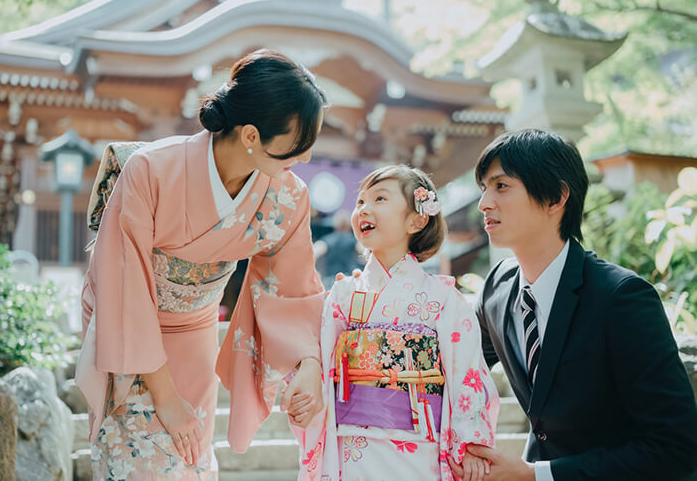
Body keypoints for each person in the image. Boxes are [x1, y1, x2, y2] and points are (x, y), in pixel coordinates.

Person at [75, 49, 328, 479]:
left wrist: (309, 365)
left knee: (191, 465)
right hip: (132, 341)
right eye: (293, 149)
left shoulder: (288, 197)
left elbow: (295, 288)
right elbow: (123, 285)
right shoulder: (151, 170)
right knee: (141, 465)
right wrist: (167, 398)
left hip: (195, 343)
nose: (301, 160)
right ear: (250, 135)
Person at [452, 129, 697, 481]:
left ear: (556, 197)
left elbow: (675, 447)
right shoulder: (497, 289)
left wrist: (536, 475)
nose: (484, 203)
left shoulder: (622, 298)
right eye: (484, 189)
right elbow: (455, 363)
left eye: (501, 186)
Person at [295, 165, 499, 481]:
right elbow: (319, 357)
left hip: (420, 447)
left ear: (416, 220)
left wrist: (469, 442)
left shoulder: (442, 299)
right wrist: (307, 388)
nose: (364, 209)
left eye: (379, 198)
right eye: (360, 201)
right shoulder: (343, 293)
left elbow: (468, 373)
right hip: (352, 444)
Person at [313, 210, 362, 289]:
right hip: (348, 280)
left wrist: (315, 272)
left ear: (336, 225)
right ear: (350, 225)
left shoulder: (327, 240)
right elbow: (365, 253)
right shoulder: (353, 240)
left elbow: (313, 253)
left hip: (330, 282)